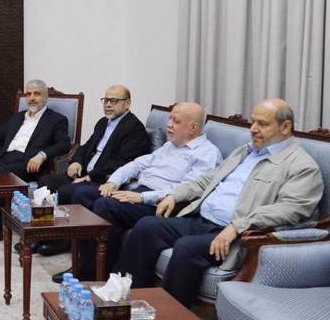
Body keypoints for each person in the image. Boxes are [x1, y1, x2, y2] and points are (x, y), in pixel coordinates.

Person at [117, 99, 323, 306]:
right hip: (200, 219)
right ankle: (126, 302)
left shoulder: (302, 167)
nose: (253, 129)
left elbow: (290, 210)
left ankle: (170, 318)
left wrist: (237, 226)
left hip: (234, 234)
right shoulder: (245, 151)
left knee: (186, 247)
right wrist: (175, 195)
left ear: (285, 127)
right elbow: (208, 179)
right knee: (146, 226)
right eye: (253, 122)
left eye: (262, 124)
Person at [52, 102, 221, 281]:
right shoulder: (171, 145)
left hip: (161, 204)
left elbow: (188, 190)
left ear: (193, 128)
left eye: (176, 121)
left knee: (106, 206)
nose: (169, 124)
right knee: (82, 194)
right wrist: (114, 181)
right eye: (169, 118)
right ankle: (85, 264)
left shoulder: (207, 154)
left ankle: (97, 272)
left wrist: (142, 197)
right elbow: (137, 164)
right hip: (138, 192)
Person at [34, 84, 151, 256]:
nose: (108, 104)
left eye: (114, 101)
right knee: (46, 182)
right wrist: (76, 161)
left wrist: (90, 177)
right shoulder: (103, 122)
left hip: (102, 179)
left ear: (127, 104)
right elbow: (86, 146)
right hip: (83, 172)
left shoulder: (134, 128)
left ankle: (62, 241)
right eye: (105, 100)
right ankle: (41, 234)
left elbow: (122, 162)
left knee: (68, 190)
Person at [0, 79, 71, 246]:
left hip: (28, 163)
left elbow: (64, 144)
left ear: (46, 97)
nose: (32, 98)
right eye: (29, 94)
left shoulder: (56, 119)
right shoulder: (18, 117)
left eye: (37, 94)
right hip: (4, 158)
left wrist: (42, 155)